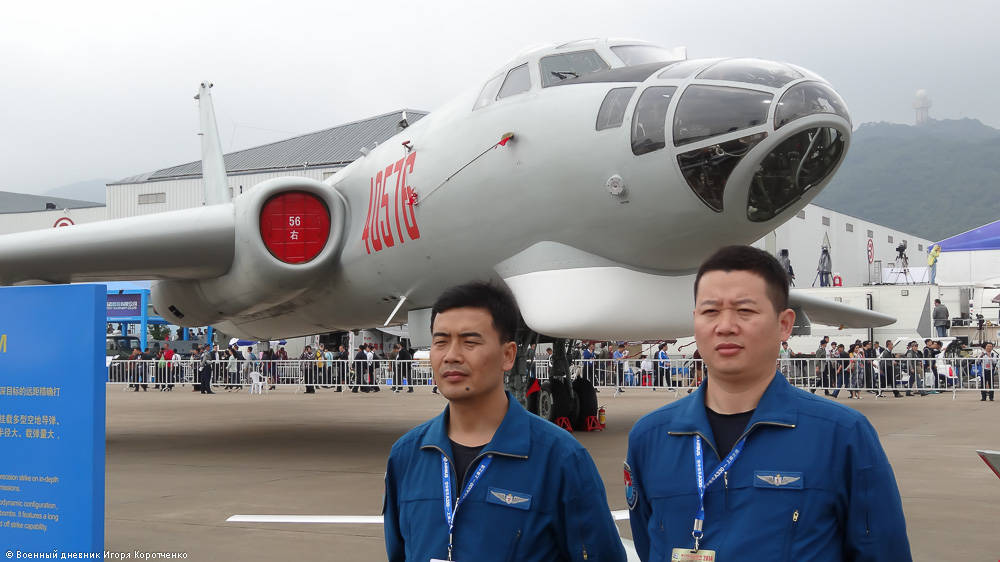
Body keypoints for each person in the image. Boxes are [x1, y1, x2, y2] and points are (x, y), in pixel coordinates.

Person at [626, 245, 910, 561]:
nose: (725, 326)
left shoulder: (841, 435)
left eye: (745, 310)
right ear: (695, 321)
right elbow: (648, 543)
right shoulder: (651, 437)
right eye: (710, 311)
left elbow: (882, 551)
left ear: (784, 324)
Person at [383, 282, 626, 561]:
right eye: (440, 342)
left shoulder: (560, 459)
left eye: (470, 342)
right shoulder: (406, 456)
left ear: (508, 355)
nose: (451, 355)